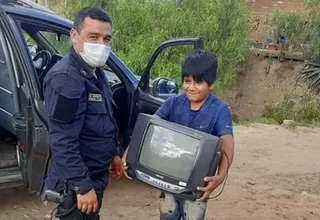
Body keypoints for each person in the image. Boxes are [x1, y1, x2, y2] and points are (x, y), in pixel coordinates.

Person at [122, 49, 234, 219]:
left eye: (198, 82)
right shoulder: (173, 102)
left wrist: (220, 176)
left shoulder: (219, 110)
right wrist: (127, 153)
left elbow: (227, 145)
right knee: (168, 215)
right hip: (168, 179)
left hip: (197, 186)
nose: (191, 87)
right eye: (187, 81)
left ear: (211, 84)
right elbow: (148, 125)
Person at [42, 7, 122, 220]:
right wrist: (82, 186)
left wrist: (113, 154)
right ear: (74, 36)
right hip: (75, 185)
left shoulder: (95, 72)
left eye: (106, 39)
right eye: (93, 37)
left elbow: (103, 120)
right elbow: (62, 141)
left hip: (95, 175)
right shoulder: (66, 78)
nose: (101, 45)